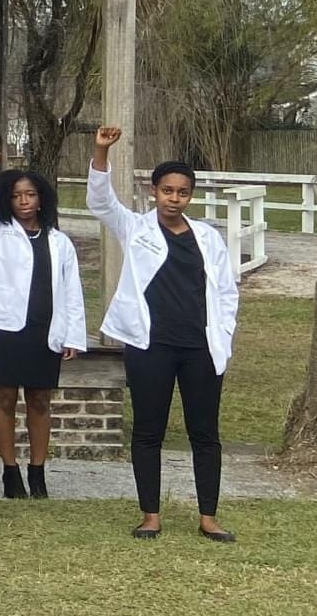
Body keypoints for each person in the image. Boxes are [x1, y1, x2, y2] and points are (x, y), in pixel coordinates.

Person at [87, 126, 240, 542]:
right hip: (151, 346)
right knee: (148, 431)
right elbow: (99, 201)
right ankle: (150, 514)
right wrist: (101, 152)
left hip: (199, 348)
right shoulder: (135, 228)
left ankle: (208, 516)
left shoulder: (207, 237)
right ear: (154, 192)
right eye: (167, 191)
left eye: (182, 192)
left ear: (190, 195)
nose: (174, 198)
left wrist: (222, 335)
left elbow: (226, 290)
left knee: (204, 433)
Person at [0, 148, 88, 499]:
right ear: (8, 200)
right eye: (16, 195)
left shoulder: (59, 241)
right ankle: (10, 471)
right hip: (5, 329)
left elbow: (72, 291)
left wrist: (73, 335)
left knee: (40, 401)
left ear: (41, 199)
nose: (23, 201)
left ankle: (38, 472)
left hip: (44, 330)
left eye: (30, 195)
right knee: (3, 399)